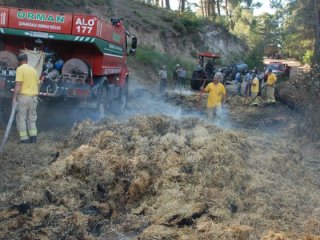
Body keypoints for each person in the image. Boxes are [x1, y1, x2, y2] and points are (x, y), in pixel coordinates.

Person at [12, 53, 39, 143]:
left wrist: (14, 98)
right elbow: (38, 84)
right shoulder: (34, 70)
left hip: (24, 97)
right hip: (34, 98)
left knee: (21, 118)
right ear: (27, 60)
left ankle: (24, 139)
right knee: (32, 118)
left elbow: (18, 84)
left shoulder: (20, 69)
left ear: (19, 62)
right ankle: (33, 138)